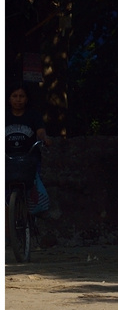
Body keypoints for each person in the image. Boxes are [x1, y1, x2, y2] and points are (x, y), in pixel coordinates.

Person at [6, 85, 53, 214]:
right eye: (15, 96)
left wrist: (44, 138)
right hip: (8, 158)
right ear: (9, 99)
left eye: (21, 96)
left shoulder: (33, 115)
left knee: (32, 188)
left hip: (29, 158)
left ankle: (33, 216)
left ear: (26, 99)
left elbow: (41, 131)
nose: (18, 99)